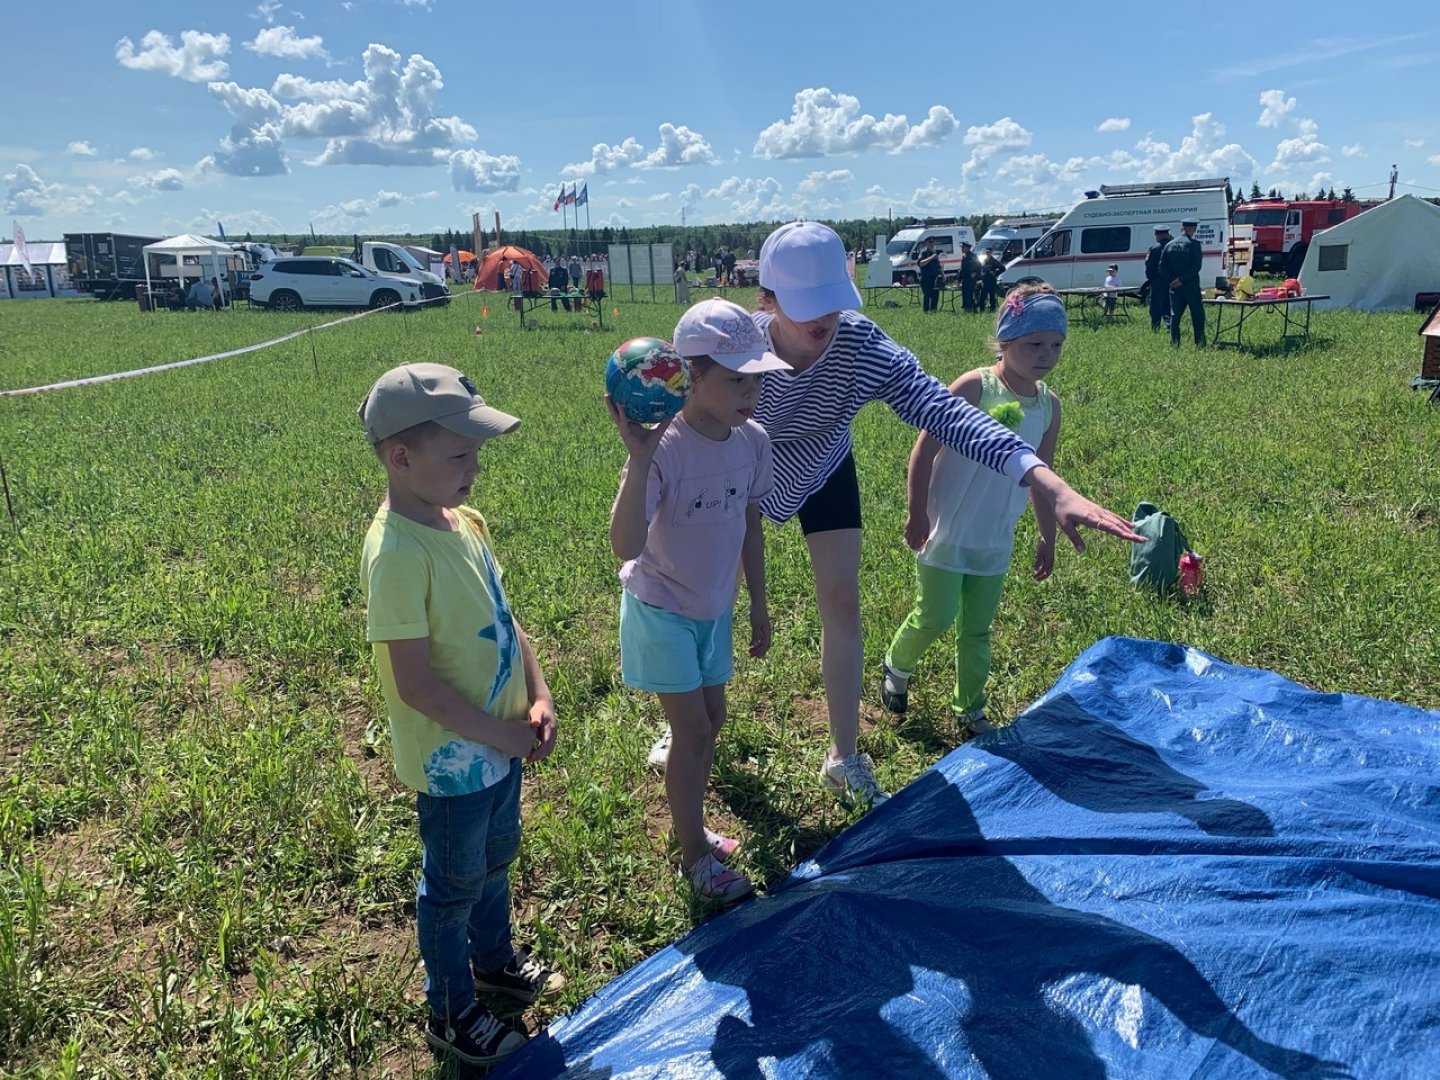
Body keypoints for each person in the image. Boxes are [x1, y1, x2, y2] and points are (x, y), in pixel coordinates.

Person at [742, 222, 1140, 808]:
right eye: (806, 305)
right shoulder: (737, 344)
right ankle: (686, 719)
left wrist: (1045, 480)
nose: (822, 319)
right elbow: (685, 411)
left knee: (842, 601)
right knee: (709, 595)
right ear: (769, 298)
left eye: (832, 301)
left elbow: (943, 410)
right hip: (739, 464)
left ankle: (843, 757)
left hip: (824, 462)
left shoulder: (859, 344)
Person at [357, 363, 563, 1068]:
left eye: (476, 452)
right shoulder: (397, 555)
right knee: (451, 890)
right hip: (454, 764)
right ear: (401, 457)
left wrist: (538, 692)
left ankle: (493, 962)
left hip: (500, 745)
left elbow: (507, 620)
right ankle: (450, 1011)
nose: (475, 467)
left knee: (496, 859)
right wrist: (499, 733)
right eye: (459, 455)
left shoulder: (465, 523)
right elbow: (416, 686)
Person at [607, 300, 785, 901]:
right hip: (662, 608)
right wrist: (639, 459)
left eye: (757, 378)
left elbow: (751, 523)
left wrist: (757, 601)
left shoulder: (753, 440)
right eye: (736, 380)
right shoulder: (666, 447)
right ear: (690, 376)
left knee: (714, 721)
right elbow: (625, 545)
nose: (751, 392)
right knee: (692, 730)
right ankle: (694, 859)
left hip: (714, 608)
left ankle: (694, 825)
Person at [880, 285, 1065, 734]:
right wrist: (917, 511)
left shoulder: (1049, 406)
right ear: (1005, 340)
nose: (1046, 355)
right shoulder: (974, 387)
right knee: (935, 616)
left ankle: (970, 708)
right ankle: (896, 666)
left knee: (977, 631)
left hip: (994, 537)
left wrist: (1047, 536)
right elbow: (924, 450)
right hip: (947, 530)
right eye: (1034, 344)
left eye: (1056, 345)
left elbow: (1043, 477)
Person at [1162, 218, 1206, 347]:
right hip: (1191, 286)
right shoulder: (1194, 244)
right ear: (1194, 229)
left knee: (1175, 316)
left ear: (1182, 228)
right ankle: (1199, 343)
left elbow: (1162, 266)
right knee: (1197, 315)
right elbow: (1196, 266)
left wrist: (1172, 280)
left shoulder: (1169, 245)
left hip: (1174, 287)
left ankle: (1174, 342)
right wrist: (1182, 279)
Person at [1145, 225, 1173, 332]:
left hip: (1157, 281)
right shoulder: (1174, 247)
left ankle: (1155, 327)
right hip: (1171, 281)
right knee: (1169, 304)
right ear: (1167, 234)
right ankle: (1170, 324)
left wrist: (1151, 279)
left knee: (1156, 305)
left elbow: (1149, 266)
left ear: (1157, 235)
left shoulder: (1154, 249)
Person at [916, 238, 943, 314]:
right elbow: (920, 263)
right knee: (927, 295)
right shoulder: (923, 253)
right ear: (926, 243)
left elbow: (938, 266)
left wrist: (943, 275)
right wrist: (931, 258)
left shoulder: (935, 253)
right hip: (926, 278)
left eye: (933, 242)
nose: (932, 244)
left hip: (935, 278)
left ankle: (933, 311)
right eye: (930, 242)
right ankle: (926, 311)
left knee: (935, 295)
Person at [958, 241, 982, 313]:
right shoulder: (974, 256)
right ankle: (974, 309)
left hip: (967, 279)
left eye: (963, 247)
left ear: (967, 248)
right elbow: (980, 267)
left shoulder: (966, 257)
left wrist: (959, 280)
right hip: (974, 279)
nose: (962, 248)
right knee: (972, 295)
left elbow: (964, 270)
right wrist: (976, 274)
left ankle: (968, 310)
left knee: (967, 295)